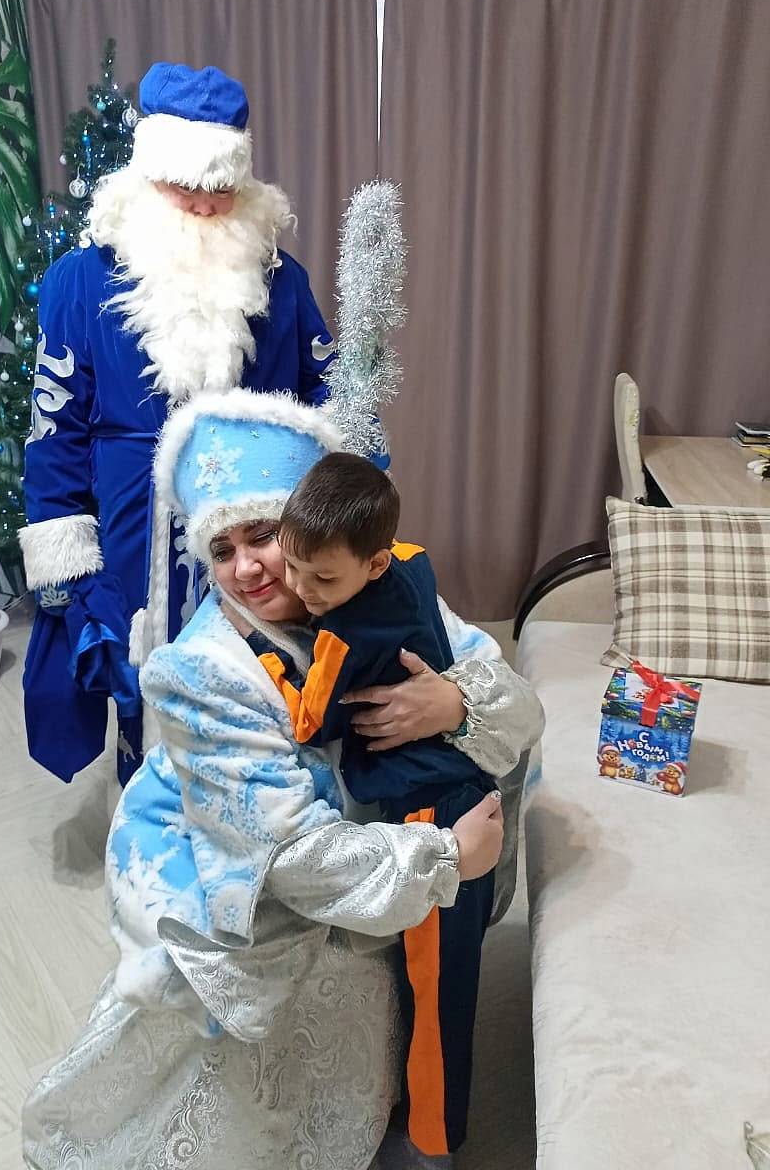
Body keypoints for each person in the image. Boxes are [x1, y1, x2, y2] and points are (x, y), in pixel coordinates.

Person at [22, 389, 545, 1170]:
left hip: (368, 851)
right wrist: (443, 859)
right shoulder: (201, 671)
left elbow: (523, 710)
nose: (246, 568)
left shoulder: (383, 588)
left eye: (263, 535)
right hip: (256, 874)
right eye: (221, 548)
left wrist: (453, 704)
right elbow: (288, 858)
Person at [18, 62, 337, 786]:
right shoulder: (81, 280)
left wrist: (349, 496)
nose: (200, 205)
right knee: (146, 662)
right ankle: (155, 806)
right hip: (135, 516)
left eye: (217, 189)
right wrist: (65, 551)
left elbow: (329, 393)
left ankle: (269, 808)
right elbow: (54, 426)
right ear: (148, 176)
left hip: (260, 518)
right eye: (181, 186)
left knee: (269, 667)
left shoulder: (281, 279)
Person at [254, 450, 505, 1156]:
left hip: (431, 815)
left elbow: (309, 721)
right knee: (447, 978)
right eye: (292, 565)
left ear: (371, 564)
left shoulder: (342, 636)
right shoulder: (413, 562)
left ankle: (433, 1142)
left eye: (322, 578)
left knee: (434, 991)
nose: (300, 588)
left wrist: (267, 658)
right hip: (464, 780)